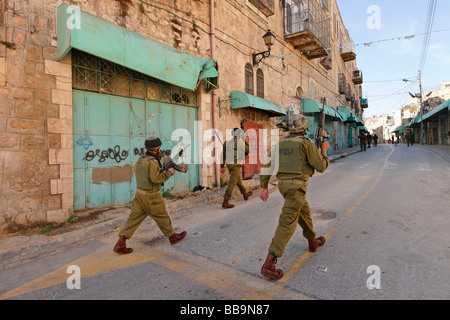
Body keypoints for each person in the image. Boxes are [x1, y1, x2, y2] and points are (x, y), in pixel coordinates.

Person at [259, 114, 329, 281]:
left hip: (284, 187)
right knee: (287, 222)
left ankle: (312, 242)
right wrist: (324, 150)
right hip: (297, 187)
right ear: (304, 129)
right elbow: (321, 167)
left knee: (304, 213)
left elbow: (267, 165)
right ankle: (269, 263)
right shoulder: (306, 143)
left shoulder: (279, 144)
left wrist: (264, 186)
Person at [113, 136, 187, 254]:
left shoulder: (141, 159)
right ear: (157, 148)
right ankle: (173, 237)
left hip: (140, 194)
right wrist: (169, 172)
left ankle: (120, 243)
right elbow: (156, 178)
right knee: (162, 216)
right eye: (159, 148)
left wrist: (163, 168)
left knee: (133, 219)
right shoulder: (152, 162)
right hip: (151, 196)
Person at [220, 128, 252, 209]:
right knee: (233, 182)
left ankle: (245, 194)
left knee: (238, 180)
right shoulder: (240, 143)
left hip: (229, 165)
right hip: (236, 165)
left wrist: (222, 166)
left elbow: (222, 155)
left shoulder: (226, 143)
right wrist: (246, 141)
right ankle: (225, 201)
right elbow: (248, 151)